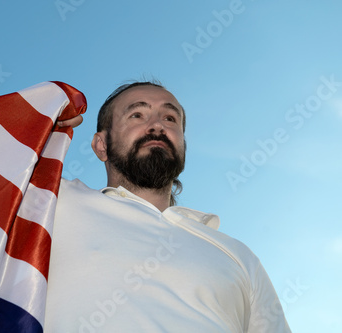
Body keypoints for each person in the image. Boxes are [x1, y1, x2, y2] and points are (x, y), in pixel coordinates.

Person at [43, 81, 291, 332]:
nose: (157, 125)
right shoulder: (54, 203)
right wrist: (34, 129)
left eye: (170, 118)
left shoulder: (237, 255)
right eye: (137, 114)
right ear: (101, 145)